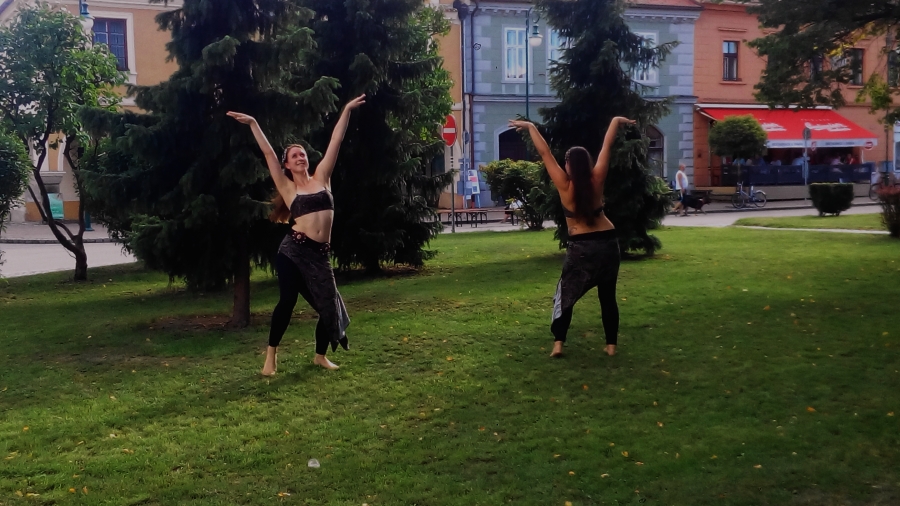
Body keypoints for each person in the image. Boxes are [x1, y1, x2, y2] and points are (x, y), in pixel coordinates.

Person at [228, 94, 366, 374]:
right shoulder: (288, 188)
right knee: (288, 300)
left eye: (302, 154)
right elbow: (269, 153)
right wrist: (254, 123)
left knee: (329, 306)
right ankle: (271, 356)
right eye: (294, 156)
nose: (301, 157)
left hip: (320, 255)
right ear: (287, 166)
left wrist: (347, 110)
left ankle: (320, 356)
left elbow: (336, 140)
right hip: (293, 251)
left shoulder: (322, 177)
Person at [508, 116, 635, 358]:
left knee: (566, 294)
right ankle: (611, 347)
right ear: (587, 163)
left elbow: (544, 153)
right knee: (607, 296)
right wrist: (615, 121)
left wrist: (531, 127)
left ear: (568, 165)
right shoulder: (597, 178)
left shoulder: (564, 185)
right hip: (608, 242)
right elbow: (607, 146)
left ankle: (558, 344)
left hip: (582, 247)